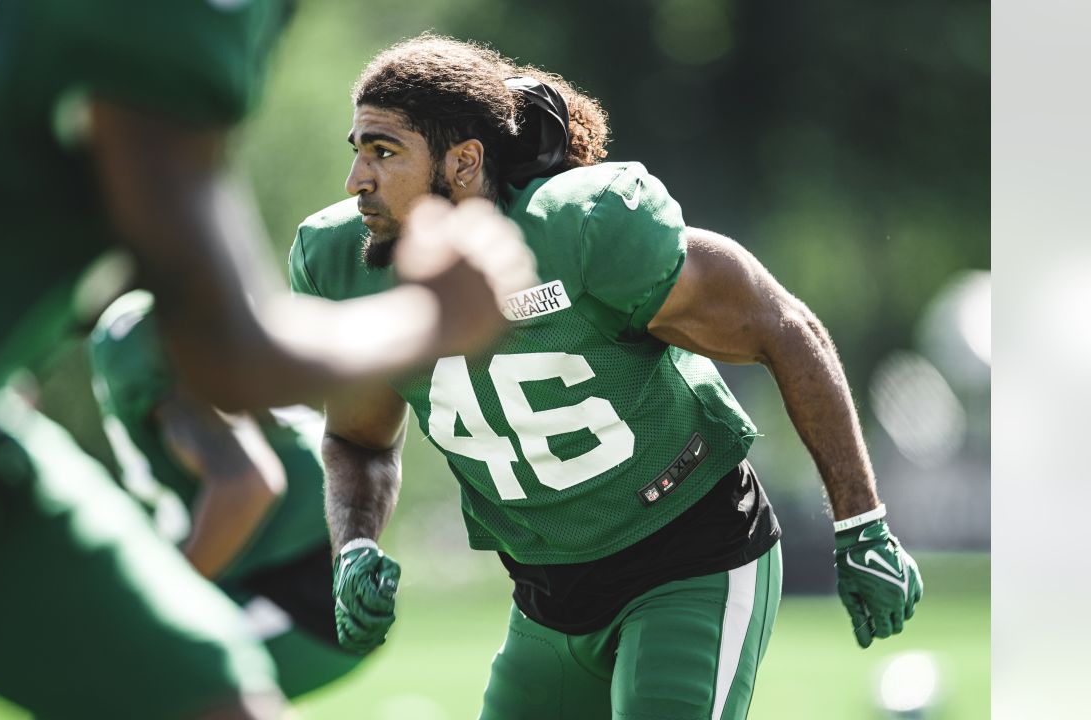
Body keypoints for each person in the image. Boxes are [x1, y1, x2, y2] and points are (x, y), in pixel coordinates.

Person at [0, 0, 534, 716]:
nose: (356, 179)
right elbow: (229, 354)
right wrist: (437, 314)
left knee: (208, 696)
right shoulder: (169, 23)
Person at [288, 35, 925, 720]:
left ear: (464, 163)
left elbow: (782, 327)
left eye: (384, 152)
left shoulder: (582, 230)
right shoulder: (343, 265)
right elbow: (359, 440)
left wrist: (862, 523)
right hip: (547, 597)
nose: (357, 178)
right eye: (356, 150)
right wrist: (354, 544)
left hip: (691, 557)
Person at [88, 290, 368, 699]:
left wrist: (157, 597)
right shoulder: (200, 299)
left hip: (292, 592)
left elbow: (245, 484)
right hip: (319, 575)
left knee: (110, 682)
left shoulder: (142, 334)